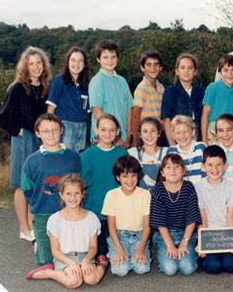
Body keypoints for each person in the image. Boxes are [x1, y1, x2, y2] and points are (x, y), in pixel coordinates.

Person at [0, 46, 52, 242]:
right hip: (24, 139)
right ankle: (24, 228)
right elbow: (3, 118)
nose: (36, 67)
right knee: (22, 184)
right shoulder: (18, 88)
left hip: (42, 139)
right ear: (25, 66)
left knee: (37, 183)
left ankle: (34, 226)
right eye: (31, 63)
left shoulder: (46, 87)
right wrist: (19, 131)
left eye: (39, 62)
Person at [25, 174, 108, 288]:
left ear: (83, 194)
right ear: (61, 195)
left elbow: (93, 247)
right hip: (64, 258)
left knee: (91, 279)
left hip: (85, 255)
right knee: (74, 282)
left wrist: (86, 261)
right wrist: (71, 263)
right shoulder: (55, 220)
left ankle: (103, 264)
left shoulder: (91, 218)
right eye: (68, 193)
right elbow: (55, 251)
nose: (73, 198)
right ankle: (50, 272)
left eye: (77, 193)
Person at [21, 114, 81, 266]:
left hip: (69, 212)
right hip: (43, 212)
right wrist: (37, 202)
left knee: (70, 257)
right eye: (46, 131)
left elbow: (79, 183)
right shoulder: (32, 160)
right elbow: (27, 189)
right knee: (46, 261)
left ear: (61, 130)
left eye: (54, 130)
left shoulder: (73, 157)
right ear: (38, 133)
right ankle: (37, 243)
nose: (51, 134)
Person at [81, 114, 128, 257]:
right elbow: (82, 184)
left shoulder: (122, 153)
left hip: (117, 213)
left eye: (112, 130)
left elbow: (128, 182)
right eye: (103, 129)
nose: (107, 134)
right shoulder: (87, 155)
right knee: (99, 252)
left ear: (117, 131)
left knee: (116, 252)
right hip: (95, 211)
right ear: (96, 130)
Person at [149, 153, 202, 275]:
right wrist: (170, 245)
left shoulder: (188, 187)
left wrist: (184, 242)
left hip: (186, 233)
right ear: (162, 172)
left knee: (187, 268)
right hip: (165, 235)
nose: (172, 170)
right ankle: (164, 252)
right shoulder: (158, 188)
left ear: (183, 171)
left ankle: (189, 254)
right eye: (168, 167)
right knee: (170, 269)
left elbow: (192, 217)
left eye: (176, 166)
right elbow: (159, 221)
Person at [102, 156, 152, 276]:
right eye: (125, 176)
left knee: (142, 269)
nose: (130, 180)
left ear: (138, 175)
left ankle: (132, 255)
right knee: (121, 270)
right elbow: (111, 226)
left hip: (139, 237)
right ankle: (114, 251)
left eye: (133, 175)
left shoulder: (146, 194)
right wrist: (119, 249)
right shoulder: (111, 195)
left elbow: (147, 224)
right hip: (119, 237)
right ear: (118, 177)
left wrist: (141, 248)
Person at [194, 145, 233, 274]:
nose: (214, 169)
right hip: (207, 233)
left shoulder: (232, 186)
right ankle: (201, 257)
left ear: (225, 166)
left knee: (231, 266)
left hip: (226, 234)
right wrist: (202, 244)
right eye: (210, 165)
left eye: (219, 165)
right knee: (213, 267)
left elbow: (231, 217)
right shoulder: (198, 187)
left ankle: (223, 255)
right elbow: (202, 219)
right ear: (203, 166)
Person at [89, 40, 133, 147]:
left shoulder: (122, 81)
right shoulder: (97, 81)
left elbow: (129, 109)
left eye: (113, 56)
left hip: (122, 140)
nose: (110, 60)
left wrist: (128, 135)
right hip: (104, 139)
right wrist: (114, 138)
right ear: (98, 59)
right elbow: (96, 110)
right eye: (105, 57)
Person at [46, 46, 90, 153]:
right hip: (65, 127)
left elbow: (87, 111)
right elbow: (50, 109)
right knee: (64, 159)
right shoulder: (59, 80)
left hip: (82, 127)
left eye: (80, 61)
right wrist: (51, 130)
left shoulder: (86, 85)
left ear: (84, 64)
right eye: (73, 60)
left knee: (77, 160)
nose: (76, 64)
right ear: (67, 62)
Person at [161, 52, 205, 143]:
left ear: (195, 71)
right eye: (182, 67)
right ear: (177, 71)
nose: (186, 71)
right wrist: (172, 145)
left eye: (190, 68)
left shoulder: (200, 91)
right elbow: (166, 119)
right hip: (178, 138)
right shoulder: (170, 91)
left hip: (197, 137)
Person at [202, 54, 233, 145]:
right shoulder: (213, 88)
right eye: (226, 70)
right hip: (213, 133)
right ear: (220, 72)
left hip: (229, 135)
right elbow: (205, 115)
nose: (230, 74)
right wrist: (204, 141)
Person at [131, 50, 165, 147]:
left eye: (156, 64)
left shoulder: (161, 87)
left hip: (159, 134)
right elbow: (135, 116)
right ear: (142, 67)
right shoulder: (141, 88)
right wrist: (136, 142)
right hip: (145, 136)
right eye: (149, 65)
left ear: (161, 68)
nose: (153, 68)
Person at [128, 117, 168, 191]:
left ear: (159, 133)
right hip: (140, 199)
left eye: (153, 131)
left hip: (161, 199)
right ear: (140, 134)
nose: (149, 134)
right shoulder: (132, 153)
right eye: (145, 131)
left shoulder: (167, 152)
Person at [166, 115, 206, 184]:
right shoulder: (171, 151)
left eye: (185, 132)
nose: (182, 136)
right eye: (178, 133)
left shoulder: (201, 147)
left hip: (201, 190)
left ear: (193, 132)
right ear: (173, 135)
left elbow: (206, 172)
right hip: (182, 192)